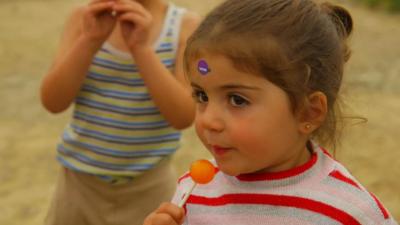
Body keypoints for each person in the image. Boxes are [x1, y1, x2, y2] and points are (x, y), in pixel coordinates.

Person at [142, 0, 399, 224]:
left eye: (237, 100)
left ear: (308, 113)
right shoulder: (194, 191)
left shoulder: (347, 211)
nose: (208, 120)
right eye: (202, 96)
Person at [40, 0, 200, 224]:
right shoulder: (83, 18)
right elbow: (53, 102)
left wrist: (141, 49)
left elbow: (183, 116)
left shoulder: (184, 25)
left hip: (151, 183)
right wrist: (90, 40)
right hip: (78, 183)